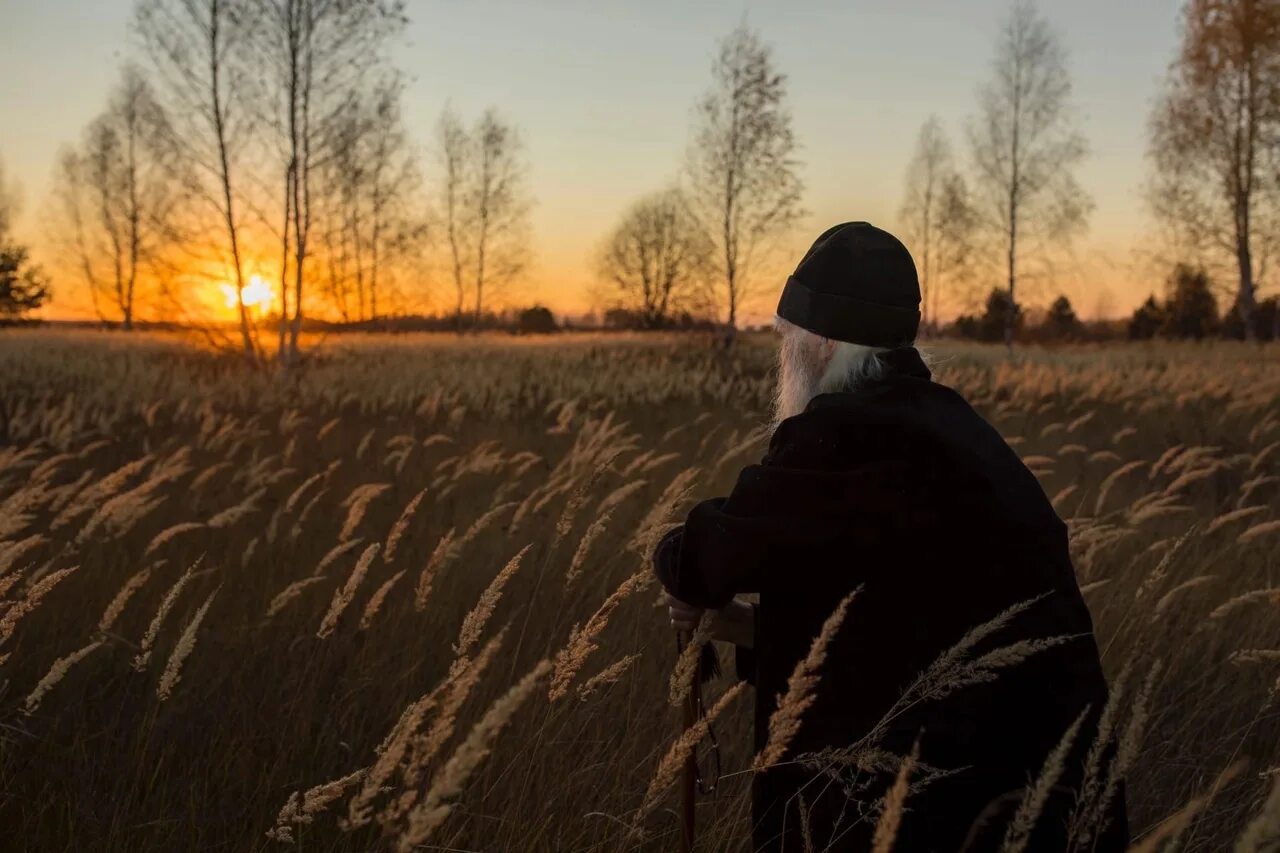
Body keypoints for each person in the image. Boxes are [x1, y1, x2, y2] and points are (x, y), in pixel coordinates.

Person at [652, 222, 1127, 852]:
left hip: (938, 815)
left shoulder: (844, 436)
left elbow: (702, 556)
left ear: (820, 340)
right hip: (1048, 802)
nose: (784, 354)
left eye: (786, 338)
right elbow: (903, 630)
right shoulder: (964, 436)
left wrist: (673, 557)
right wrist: (747, 629)